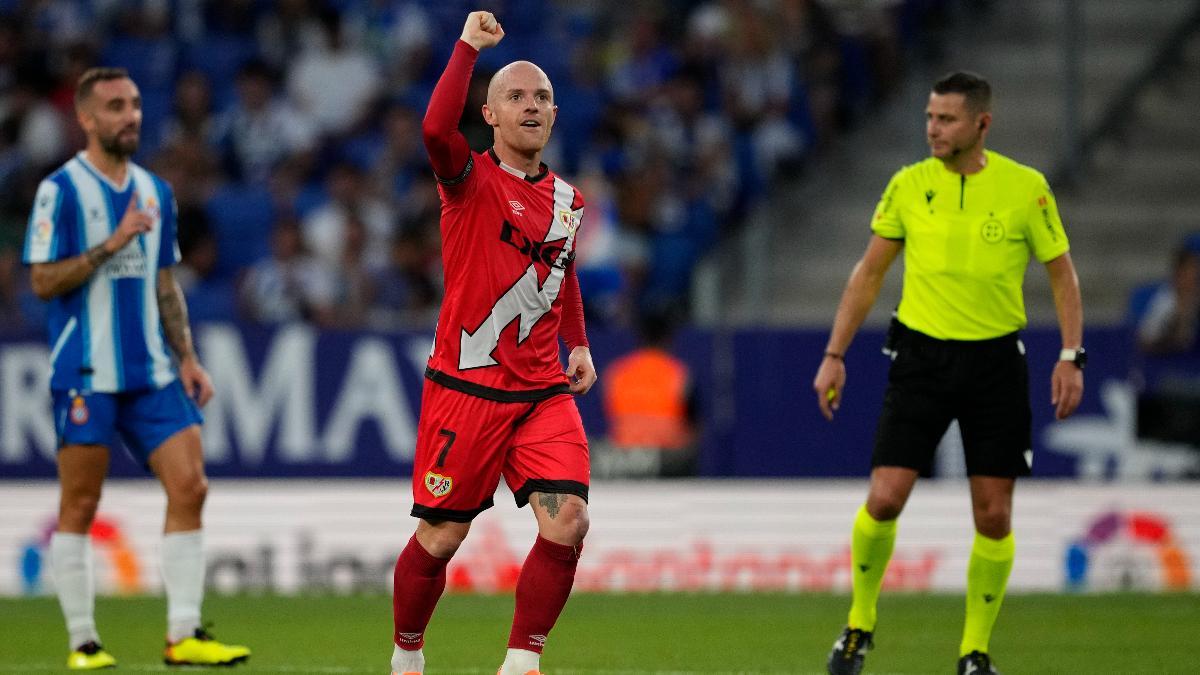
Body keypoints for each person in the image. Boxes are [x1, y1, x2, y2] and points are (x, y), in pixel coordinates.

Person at [812, 72, 1084, 675]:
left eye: (947, 119)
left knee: (993, 513)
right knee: (885, 497)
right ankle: (858, 625)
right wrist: (835, 353)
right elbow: (868, 274)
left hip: (994, 365)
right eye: (930, 117)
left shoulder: (1026, 189)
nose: (933, 128)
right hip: (921, 360)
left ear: (981, 124)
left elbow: (1062, 275)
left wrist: (1071, 355)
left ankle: (974, 652)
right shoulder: (909, 185)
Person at [388, 12, 596, 675]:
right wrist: (468, 47)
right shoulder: (467, 179)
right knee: (442, 535)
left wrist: (580, 344)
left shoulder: (568, 201)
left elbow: (560, 276)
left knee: (568, 522)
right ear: (492, 113)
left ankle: (520, 662)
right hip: (467, 389)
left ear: (554, 114)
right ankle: (407, 654)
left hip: (541, 391)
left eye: (540, 98)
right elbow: (432, 129)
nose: (530, 105)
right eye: (516, 96)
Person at [23, 67, 250, 670]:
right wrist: (111, 243)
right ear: (87, 119)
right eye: (116, 107)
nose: (131, 117)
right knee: (79, 503)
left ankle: (184, 635)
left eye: (136, 105)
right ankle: (83, 642)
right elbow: (43, 280)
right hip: (87, 370)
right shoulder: (62, 191)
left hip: (151, 372)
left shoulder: (155, 192)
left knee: (191, 486)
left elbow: (164, 282)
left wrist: (188, 357)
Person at [600, 310, 698, 478]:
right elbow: (693, 423)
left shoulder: (617, 373)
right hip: (668, 461)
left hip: (623, 458)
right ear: (668, 339)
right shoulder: (678, 373)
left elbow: (609, 415)